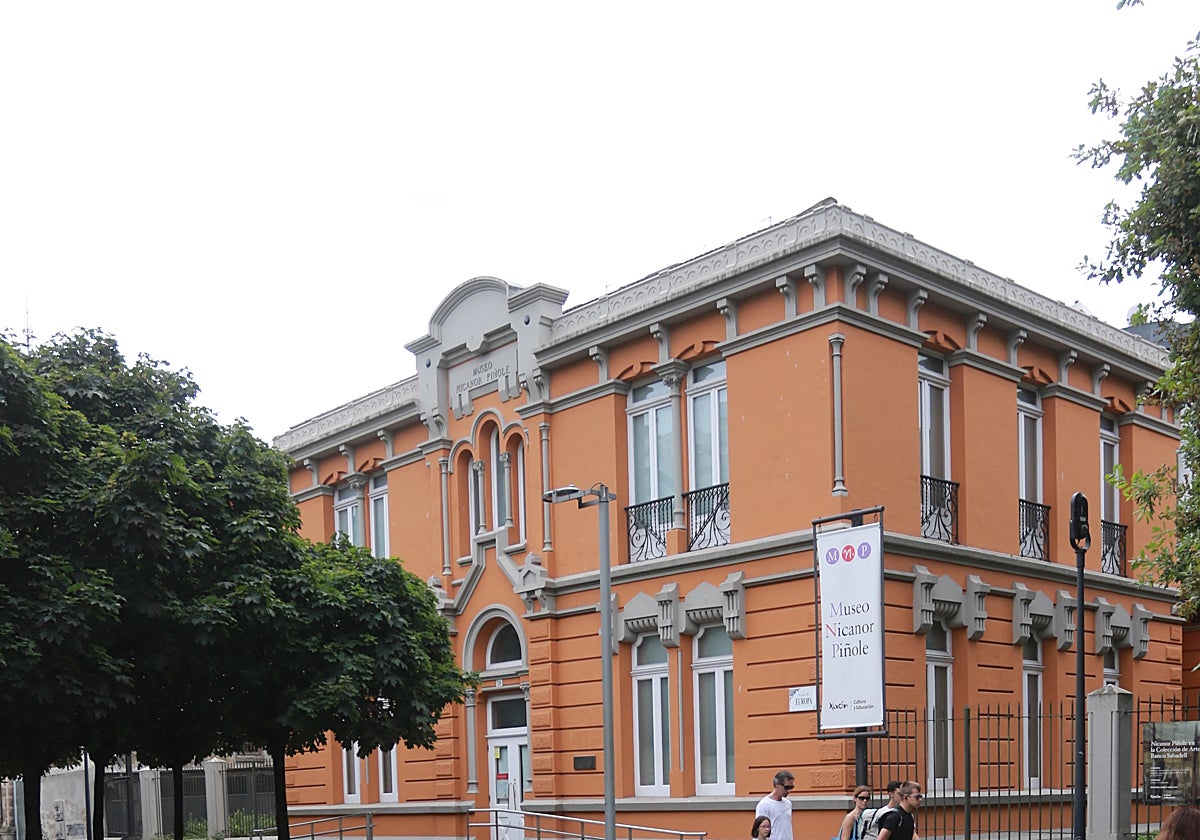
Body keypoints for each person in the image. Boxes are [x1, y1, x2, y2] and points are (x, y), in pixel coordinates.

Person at [756, 770, 795, 840]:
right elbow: (760, 831)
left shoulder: (788, 804)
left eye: (791, 787)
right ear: (777, 785)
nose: (789, 791)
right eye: (786, 787)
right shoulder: (764, 805)